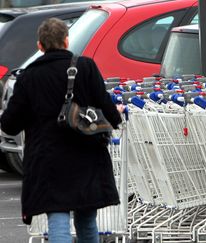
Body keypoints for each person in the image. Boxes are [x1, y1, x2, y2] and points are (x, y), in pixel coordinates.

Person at [0, 18, 123, 243]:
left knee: (57, 215)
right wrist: (117, 117)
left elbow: (9, 124)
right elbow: (106, 105)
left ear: (40, 46)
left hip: (47, 159)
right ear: (66, 41)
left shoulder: (29, 77)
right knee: (87, 218)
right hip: (86, 154)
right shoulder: (85, 67)